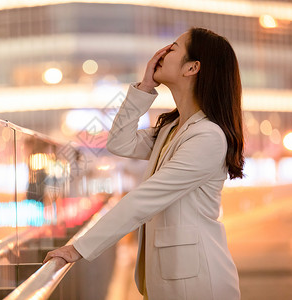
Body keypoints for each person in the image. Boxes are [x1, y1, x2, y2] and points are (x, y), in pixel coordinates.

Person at [44, 27, 244, 300]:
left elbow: (145, 199)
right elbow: (119, 142)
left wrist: (77, 248)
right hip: (175, 277)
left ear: (192, 67)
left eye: (173, 48)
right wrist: (145, 88)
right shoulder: (172, 129)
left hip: (198, 282)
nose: (162, 53)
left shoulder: (207, 136)